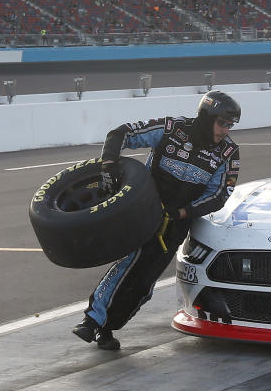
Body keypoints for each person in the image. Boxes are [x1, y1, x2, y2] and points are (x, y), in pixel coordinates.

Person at [72, 91, 242, 350]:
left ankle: (107, 328)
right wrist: (108, 166)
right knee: (130, 264)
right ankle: (92, 320)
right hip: (144, 210)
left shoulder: (229, 152)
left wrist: (182, 213)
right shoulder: (172, 128)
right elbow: (120, 133)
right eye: (222, 123)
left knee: (145, 283)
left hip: (175, 223)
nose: (225, 131)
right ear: (207, 117)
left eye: (230, 126)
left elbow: (219, 195)